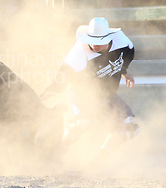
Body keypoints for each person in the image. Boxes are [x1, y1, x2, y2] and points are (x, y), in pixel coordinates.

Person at [40, 17, 139, 164]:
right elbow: (65, 72)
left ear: (109, 38)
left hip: (107, 94)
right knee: (84, 121)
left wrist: (124, 71)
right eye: (92, 40)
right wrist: (52, 89)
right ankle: (55, 154)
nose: (94, 45)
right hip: (83, 92)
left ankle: (97, 161)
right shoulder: (80, 50)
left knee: (129, 128)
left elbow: (127, 56)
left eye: (99, 41)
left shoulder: (122, 43)